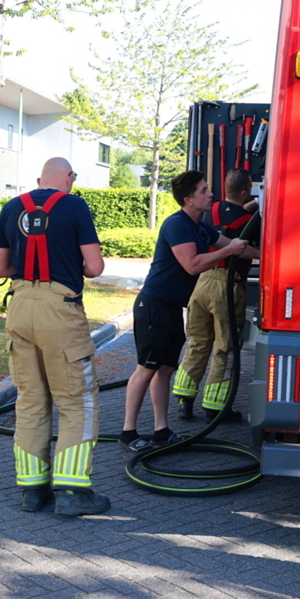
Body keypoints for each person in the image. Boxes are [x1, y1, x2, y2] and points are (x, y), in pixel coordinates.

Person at [0, 157, 108, 517]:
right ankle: (72, 491)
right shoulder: (74, 205)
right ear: (68, 177)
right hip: (59, 311)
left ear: (40, 179)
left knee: (30, 400)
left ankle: (32, 490)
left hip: (19, 306)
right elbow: (95, 267)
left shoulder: (11, 207)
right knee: (76, 402)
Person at [118, 170, 248, 452]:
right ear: (189, 200)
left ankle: (161, 430)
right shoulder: (176, 224)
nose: (211, 194)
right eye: (204, 190)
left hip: (173, 307)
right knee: (146, 369)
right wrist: (229, 251)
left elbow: (235, 247)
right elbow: (192, 264)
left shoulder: (200, 227)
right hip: (154, 305)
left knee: (165, 369)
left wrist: (273, 254)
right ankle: (128, 432)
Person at [172, 170, 261, 422]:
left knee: (198, 342)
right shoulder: (250, 220)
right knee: (226, 347)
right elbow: (246, 246)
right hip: (228, 286)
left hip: (202, 283)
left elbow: (230, 211)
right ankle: (215, 406)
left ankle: (184, 399)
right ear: (245, 192)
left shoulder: (209, 211)